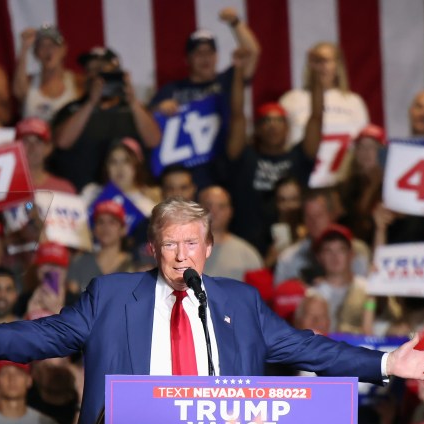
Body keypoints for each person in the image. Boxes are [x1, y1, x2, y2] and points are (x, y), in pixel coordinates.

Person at [0, 198, 424, 424]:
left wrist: (385, 362)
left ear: (210, 248)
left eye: (190, 243)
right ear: (153, 249)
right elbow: (51, 333)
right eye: (170, 244)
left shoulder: (239, 302)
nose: (180, 256)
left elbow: (305, 348)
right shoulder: (112, 294)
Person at [150, 8, 260, 189]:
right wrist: (158, 109)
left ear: (217, 56)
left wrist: (235, 23)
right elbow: (148, 126)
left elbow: (253, 52)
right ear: (187, 59)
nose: (205, 58)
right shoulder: (171, 90)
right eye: (198, 53)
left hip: (221, 171)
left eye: (209, 52)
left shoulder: (228, 81)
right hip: (182, 178)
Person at [224, 50, 321, 254]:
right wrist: (239, 72)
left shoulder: (299, 157)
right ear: (257, 128)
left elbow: (316, 118)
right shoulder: (244, 157)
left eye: (279, 121)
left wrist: (316, 76)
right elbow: (237, 116)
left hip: (294, 248)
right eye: (266, 120)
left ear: (287, 128)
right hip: (248, 247)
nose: (273, 125)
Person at [52, 47, 161, 190]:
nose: (96, 76)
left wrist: (133, 101)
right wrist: (91, 103)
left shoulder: (133, 108)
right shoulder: (72, 109)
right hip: (85, 195)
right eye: (90, 70)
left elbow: (154, 140)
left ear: (117, 74)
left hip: (130, 194)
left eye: (102, 69)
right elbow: (62, 142)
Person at [279, 42, 369, 187]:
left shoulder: (354, 102)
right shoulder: (291, 99)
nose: (321, 66)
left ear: (337, 65)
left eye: (325, 60)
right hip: (302, 181)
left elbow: (364, 147)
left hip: (343, 184)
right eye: (316, 60)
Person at [309, 224, 369, 334]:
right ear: (319, 257)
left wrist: (370, 302)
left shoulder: (368, 289)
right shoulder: (311, 295)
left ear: (351, 254)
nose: (334, 256)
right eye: (328, 250)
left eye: (341, 250)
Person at [13, 25, 80, 122]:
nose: (48, 50)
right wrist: (24, 48)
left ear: (63, 49)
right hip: (33, 136)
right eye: (42, 46)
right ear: (36, 53)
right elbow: (18, 92)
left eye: (53, 45)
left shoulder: (76, 82)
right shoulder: (30, 83)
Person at [67, 200, 135, 293]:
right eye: (100, 222)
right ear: (94, 230)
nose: (105, 227)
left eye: (112, 222)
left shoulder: (134, 266)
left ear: (123, 229)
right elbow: (71, 301)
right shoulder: (80, 262)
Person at [198, 186, 262, 281]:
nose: (214, 211)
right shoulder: (183, 251)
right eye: (208, 206)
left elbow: (259, 292)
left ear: (230, 212)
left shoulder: (247, 254)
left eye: (221, 207)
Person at [15, 117, 75, 193]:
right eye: (25, 141)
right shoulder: (2, 186)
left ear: (49, 148)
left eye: (38, 142)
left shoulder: (64, 190)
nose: (32, 147)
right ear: (14, 146)